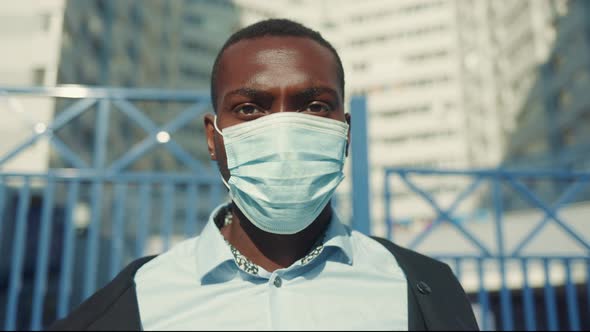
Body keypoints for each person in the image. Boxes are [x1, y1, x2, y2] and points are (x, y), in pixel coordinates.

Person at [48, 18, 479, 331]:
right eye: (250, 108)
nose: (284, 131)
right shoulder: (136, 300)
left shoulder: (423, 289)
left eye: (313, 107)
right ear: (213, 137)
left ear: (344, 133)